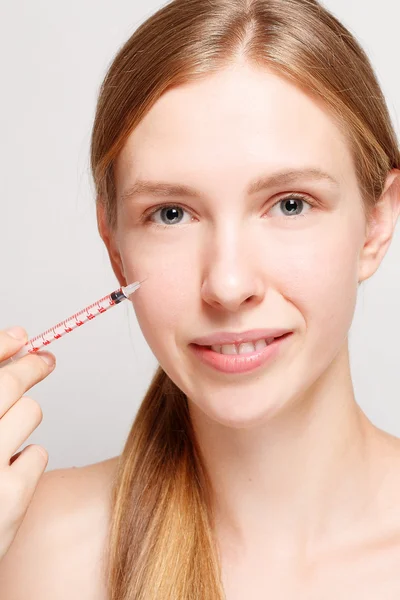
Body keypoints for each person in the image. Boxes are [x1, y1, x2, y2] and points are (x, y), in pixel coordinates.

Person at [0, 0, 399, 598]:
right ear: (116, 250)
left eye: (290, 203)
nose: (229, 285)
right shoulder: (32, 552)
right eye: (171, 214)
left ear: (375, 224)